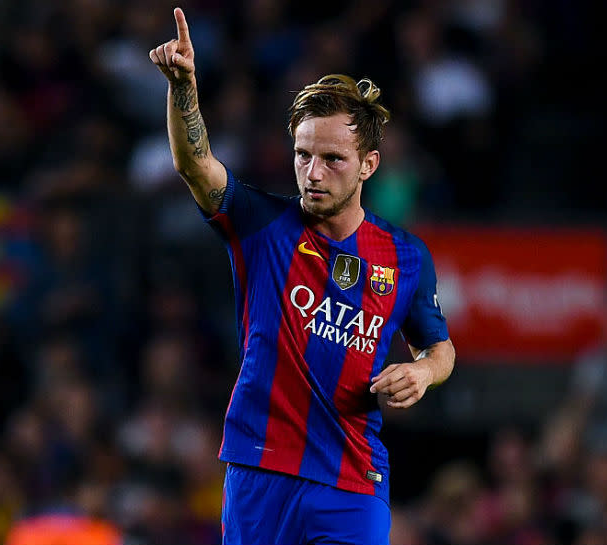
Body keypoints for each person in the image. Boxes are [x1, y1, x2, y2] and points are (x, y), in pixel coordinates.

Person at [149, 9, 455, 545]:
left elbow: (441, 347)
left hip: (352, 482)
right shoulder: (261, 225)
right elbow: (195, 164)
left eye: (333, 158)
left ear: (368, 164)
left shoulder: (406, 257)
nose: (313, 172)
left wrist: (425, 373)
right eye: (303, 155)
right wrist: (184, 88)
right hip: (260, 471)